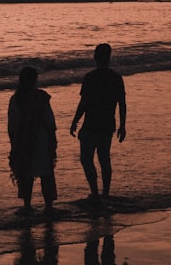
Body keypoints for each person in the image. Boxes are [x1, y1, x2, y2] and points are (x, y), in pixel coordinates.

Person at [70, 43, 127, 201]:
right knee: (104, 158)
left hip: (91, 124)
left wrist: (75, 120)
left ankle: (95, 193)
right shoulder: (116, 77)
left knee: (87, 158)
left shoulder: (90, 77)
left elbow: (84, 102)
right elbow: (122, 103)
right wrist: (123, 125)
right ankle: (106, 193)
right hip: (108, 124)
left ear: (95, 57)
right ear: (109, 58)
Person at [8, 66, 58, 214]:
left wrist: (13, 144)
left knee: (26, 173)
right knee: (46, 173)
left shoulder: (16, 99)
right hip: (41, 139)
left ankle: (27, 205)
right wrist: (53, 142)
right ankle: (49, 206)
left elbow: (12, 124)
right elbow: (50, 122)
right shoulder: (41, 97)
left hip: (23, 140)